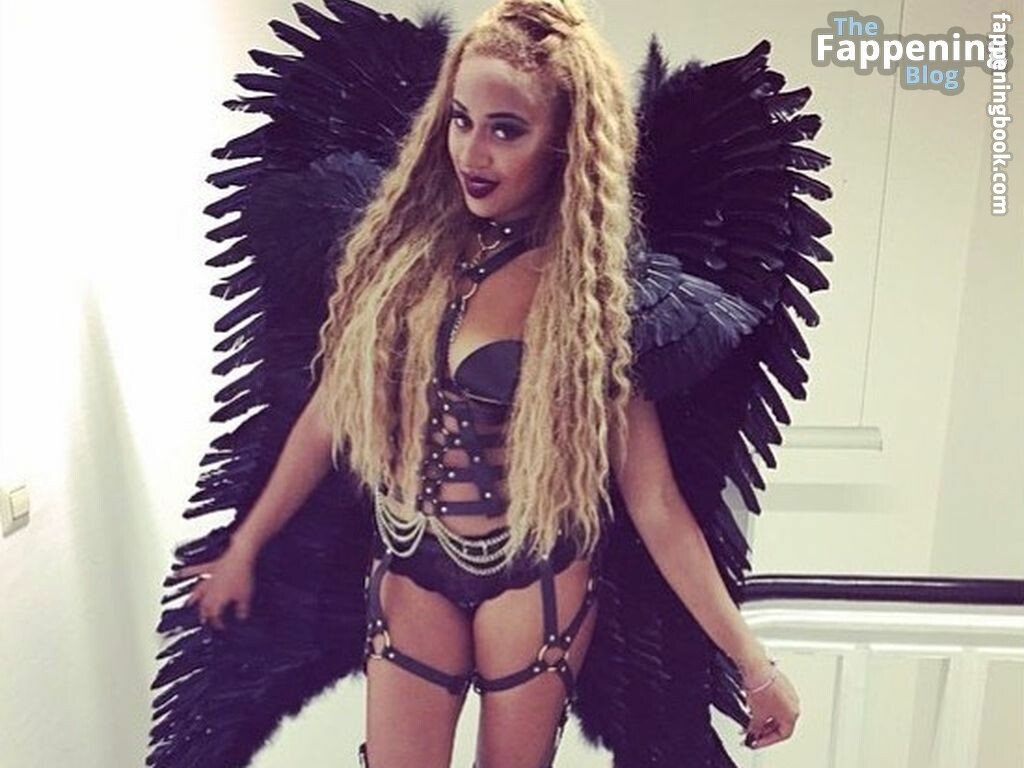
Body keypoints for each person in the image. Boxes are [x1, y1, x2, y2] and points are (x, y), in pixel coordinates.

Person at [172, 1, 807, 766]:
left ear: (567, 145)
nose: (473, 151)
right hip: (410, 555)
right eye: (461, 120)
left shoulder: (594, 301)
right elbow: (330, 412)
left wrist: (752, 663)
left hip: (534, 579)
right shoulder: (405, 261)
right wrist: (245, 544)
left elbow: (656, 502)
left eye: (507, 129)